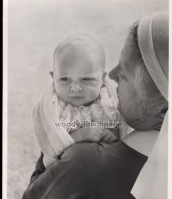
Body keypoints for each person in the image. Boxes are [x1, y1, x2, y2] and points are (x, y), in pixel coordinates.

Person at [22, 11, 169, 199]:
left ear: (162, 106)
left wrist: (49, 157)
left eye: (126, 74)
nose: (111, 75)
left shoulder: (84, 163)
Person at [33, 34, 128, 167]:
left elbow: (125, 131)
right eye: (65, 79)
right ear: (53, 77)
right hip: (69, 172)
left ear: (102, 78)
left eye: (87, 79)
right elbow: (49, 153)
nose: (75, 88)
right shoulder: (53, 107)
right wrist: (81, 135)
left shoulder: (109, 99)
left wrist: (113, 136)